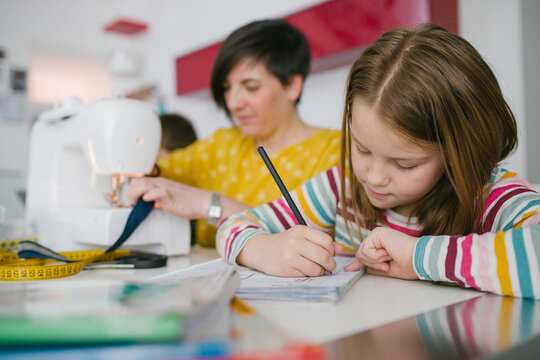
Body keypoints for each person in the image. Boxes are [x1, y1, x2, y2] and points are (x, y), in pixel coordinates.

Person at [216, 23, 540, 299]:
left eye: (405, 164)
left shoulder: (488, 195)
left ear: (458, 150)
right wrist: (262, 249)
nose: (373, 177)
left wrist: (417, 257)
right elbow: (233, 226)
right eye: (362, 149)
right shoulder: (340, 186)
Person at [128, 19, 341, 247]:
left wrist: (210, 205)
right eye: (227, 87)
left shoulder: (336, 152)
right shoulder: (221, 145)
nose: (232, 103)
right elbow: (155, 171)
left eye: (251, 87)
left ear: (292, 86)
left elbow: (327, 246)